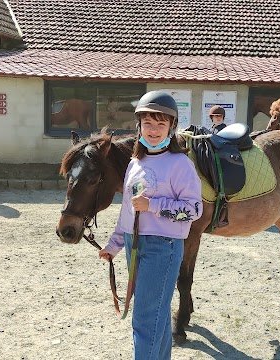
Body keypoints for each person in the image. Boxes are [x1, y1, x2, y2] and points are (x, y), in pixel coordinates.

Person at [98, 90, 202, 359]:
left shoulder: (181, 164)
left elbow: (193, 210)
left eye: (160, 123)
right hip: (135, 246)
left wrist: (154, 205)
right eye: (148, 123)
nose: (153, 130)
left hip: (163, 248)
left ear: (171, 126)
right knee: (156, 317)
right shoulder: (135, 163)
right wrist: (114, 244)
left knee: (145, 320)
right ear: (139, 126)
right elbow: (127, 212)